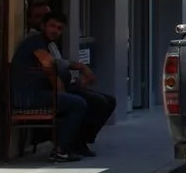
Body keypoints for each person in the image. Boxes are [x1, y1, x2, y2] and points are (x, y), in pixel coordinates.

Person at [11, 13, 114, 161]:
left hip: (43, 91)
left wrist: (80, 69)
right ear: (43, 26)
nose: (55, 31)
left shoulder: (48, 44)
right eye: (52, 26)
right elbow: (49, 65)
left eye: (59, 28)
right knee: (78, 103)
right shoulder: (35, 42)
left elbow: (57, 63)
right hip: (29, 96)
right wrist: (61, 90)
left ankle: (78, 142)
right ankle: (61, 150)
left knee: (105, 101)